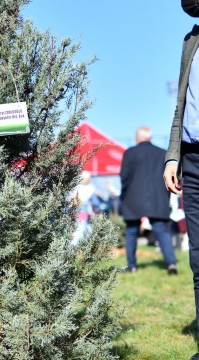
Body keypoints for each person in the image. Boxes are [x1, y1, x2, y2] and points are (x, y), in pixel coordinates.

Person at [164, 4, 199, 352]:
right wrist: (172, 156)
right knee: (198, 258)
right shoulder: (191, 41)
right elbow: (181, 106)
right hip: (191, 158)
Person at [122, 126, 177, 274]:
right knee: (161, 230)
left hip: (133, 198)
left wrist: (124, 196)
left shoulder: (130, 153)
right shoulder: (162, 154)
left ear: (138, 137)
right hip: (158, 199)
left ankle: (132, 266)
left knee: (132, 231)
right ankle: (171, 264)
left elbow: (124, 177)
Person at [70, 171, 96, 246]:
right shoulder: (89, 188)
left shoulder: (77, 188)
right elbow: (81, 201)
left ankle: (85, 249)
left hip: (83, 213)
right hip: (81, 213)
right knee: (79, 232)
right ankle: (72, 248)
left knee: (87, 231)